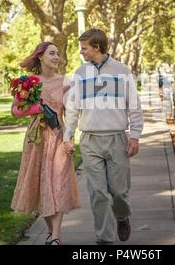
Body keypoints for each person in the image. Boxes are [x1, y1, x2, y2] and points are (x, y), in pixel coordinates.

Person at [62, 28, 144, 245]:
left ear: (97, 47)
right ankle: (104, 239)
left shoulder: (122, 71)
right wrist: (67, 136)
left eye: (84, 48)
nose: (81, 52)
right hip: (89, 140)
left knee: (118, 191)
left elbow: (134, 106)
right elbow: (72, 109)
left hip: (117, 138)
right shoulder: (79, 74)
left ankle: (122, 216)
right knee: (97, 193)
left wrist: (134, 136)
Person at [10, 42, 80, 245]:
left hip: (58, 137)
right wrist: (36, 110)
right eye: (51, 53)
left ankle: (56, 238)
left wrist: (70, 138)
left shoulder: (66, 82)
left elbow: (72, 114)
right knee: (42, 187)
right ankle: (51, 233)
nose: (56, 57)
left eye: (57, 54)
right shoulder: (29, 83)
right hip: (36, 140)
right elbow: (14, 111)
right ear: (40, 56)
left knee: (57, 185)